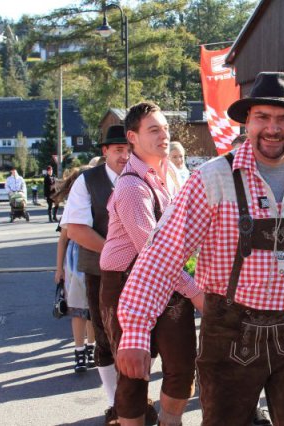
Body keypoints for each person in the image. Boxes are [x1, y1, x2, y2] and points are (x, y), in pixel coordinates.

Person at [115, 71, 284, 426]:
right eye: (263, 117)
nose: (273, 128)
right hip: (229, 334)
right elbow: (160, 256)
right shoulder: (213, 177)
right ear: (247, 121)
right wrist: (135, 331)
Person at [100, 102, 192, 426]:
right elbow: (152, 251)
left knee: (182, 364)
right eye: (154, 129)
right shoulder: (130, 185)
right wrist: (195, 291)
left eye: (166, 128)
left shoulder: (175, 175)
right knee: (134, 372)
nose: (164, 135)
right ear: (133, 137)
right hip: (126, 279)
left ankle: (170, 421)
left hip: (169, 278)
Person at [59, 124, 133, 425]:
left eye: (129, 150)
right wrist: (115, 253)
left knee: (140, 338)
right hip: (100, 273)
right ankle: (116, 403)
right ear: (105, 152)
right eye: (118, 151)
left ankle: (134, 399)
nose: (125, 156)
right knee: (105, 338)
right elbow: (75, 229)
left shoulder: (145, 175)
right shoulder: (87, 181)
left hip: (142, 273)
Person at [53, 167, 96, 374]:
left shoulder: (100, 201)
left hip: (95, 257)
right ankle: (79, 351)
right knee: (78, 310)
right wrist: (59, 268)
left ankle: (91, 348)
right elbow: (62, 240)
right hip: (75, 261)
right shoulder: (72, 206)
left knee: (93, 311)